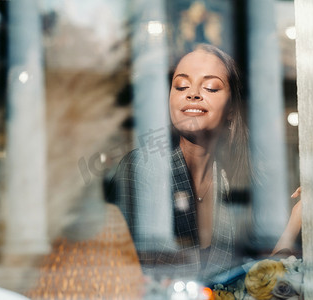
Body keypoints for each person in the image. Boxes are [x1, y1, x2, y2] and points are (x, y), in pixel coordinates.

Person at [108, 44, 301, 282]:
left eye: (210, 87)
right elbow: (129, 272)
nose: (193, 93)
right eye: (181, 86)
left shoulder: (238, 181)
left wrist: (295, 220)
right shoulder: (142, 167)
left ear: (231, 108)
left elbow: (256, 285)